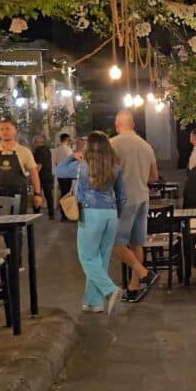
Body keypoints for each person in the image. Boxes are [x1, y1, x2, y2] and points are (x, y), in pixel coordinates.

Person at [55, 131, 126, 314]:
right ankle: (93, 302)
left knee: (87, 257)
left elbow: (58, 170)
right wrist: (117, 214)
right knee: (100, 258)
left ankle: (110, 290)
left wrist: (72, 156)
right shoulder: (115, 166)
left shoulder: (81, 167)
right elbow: (122, 196)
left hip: (90, 213)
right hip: (111, 214)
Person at [109, 110, 158, 301]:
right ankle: (134, 286)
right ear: (134, 125)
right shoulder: (146, 146)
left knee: (112, 243)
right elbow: (154, 176)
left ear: (117, 125)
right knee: (137, 243)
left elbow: (108, 174)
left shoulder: (113, 144)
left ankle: (145, 273)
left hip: (123, 199)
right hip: (143, 197)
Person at [0, 117, 44, 213]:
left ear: (15, 130)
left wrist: (37, 194)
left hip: (19, 195)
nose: (4, 132)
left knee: (18, 226)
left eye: (8, 128)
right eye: (1, 129)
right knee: (0, 225)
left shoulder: (24, 151)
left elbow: (34, 173)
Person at [31, 135, 55, 219]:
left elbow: (39, 165)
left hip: (40, 176)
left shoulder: (37, 150)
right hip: (48, 175)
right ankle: (51, 214)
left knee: (37, 194)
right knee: (49, 196)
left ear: (36, 142)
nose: (33, 144)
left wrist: (33, 174)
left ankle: (36, 213)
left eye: (34, 142)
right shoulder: (48, 150)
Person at [53, 133, 75, 207]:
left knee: (62, 192)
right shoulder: (68, 150)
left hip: (60, 174)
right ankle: (65, 213)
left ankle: (63, 212)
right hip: (67, 175)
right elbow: (71, 162)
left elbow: (56, 162)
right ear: (67, 140)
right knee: (66, 194)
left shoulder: (57, 150)